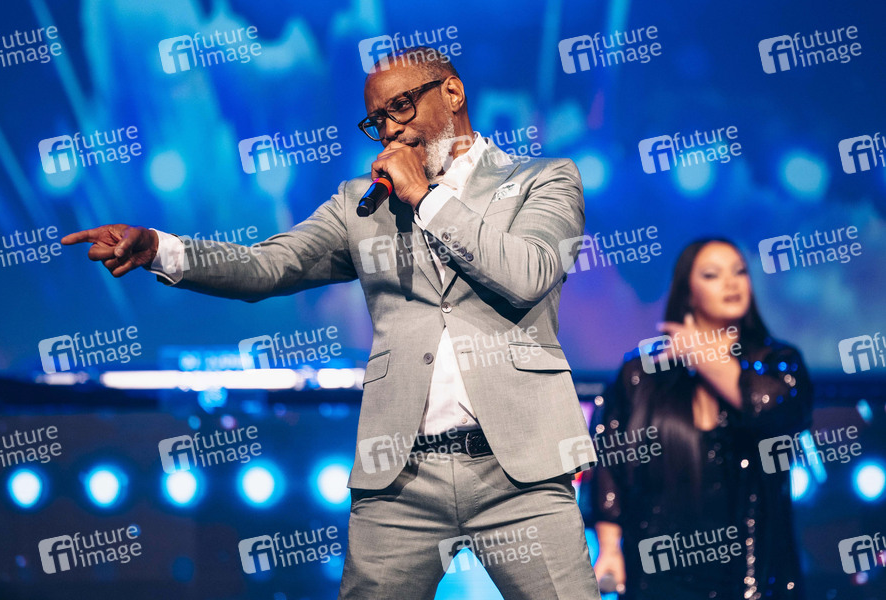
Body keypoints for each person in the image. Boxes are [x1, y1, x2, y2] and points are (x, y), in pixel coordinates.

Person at [62, 46, 601, 600]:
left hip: (521, 473)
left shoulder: (542, 179)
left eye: (401, 107)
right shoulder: (360, 204)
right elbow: (268, 265)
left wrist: (425, 197)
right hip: (401, 478)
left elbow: (528, 274)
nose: (390, 130)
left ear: (453, 92)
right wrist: (160, 249)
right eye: (377, 121)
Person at [587, 238, 812, 600]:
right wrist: (610, 548)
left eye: (740, 272)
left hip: (750, 567)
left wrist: (702, 354)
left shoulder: (778, 362)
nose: (731, 282)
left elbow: (775, 410)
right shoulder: (643, 372)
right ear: (688, 293)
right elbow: (610, 460)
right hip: (660, 568)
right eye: (712, 274)